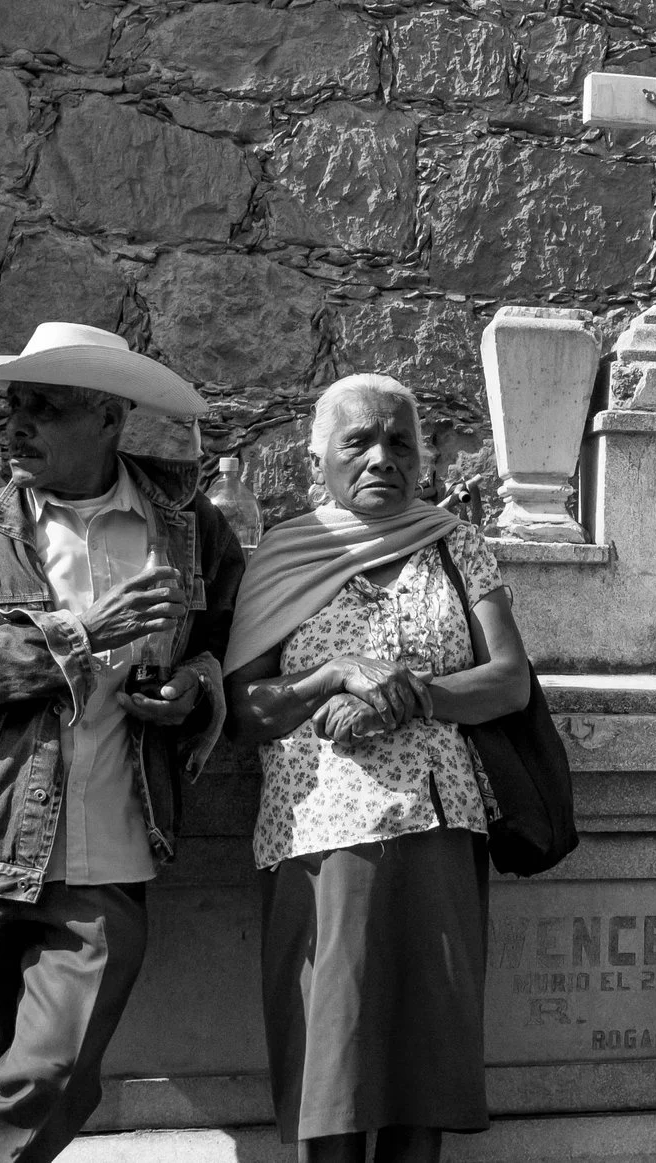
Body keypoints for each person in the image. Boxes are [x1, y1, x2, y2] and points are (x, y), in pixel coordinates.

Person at [0, 322, 242, 1163]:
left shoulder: (189, 526)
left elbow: (229, 641)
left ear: (110, 417)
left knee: (55, 1071)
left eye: (44, 408)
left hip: (110, 845)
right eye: (15, 405)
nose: (17, 426)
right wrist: (71, 638)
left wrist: (198, 683)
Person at [224, 375, 531, 1163]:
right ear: (315, 455)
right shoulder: (284, 556)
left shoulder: (454, 543)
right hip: (323, 835)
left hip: (440, 827)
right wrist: (333, 675)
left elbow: (509, 680)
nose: (380, 457)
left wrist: (410, 695)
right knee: (336, 1070)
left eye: (400, 441)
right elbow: (246, 708)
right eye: (358, 440)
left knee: (421, 1075)